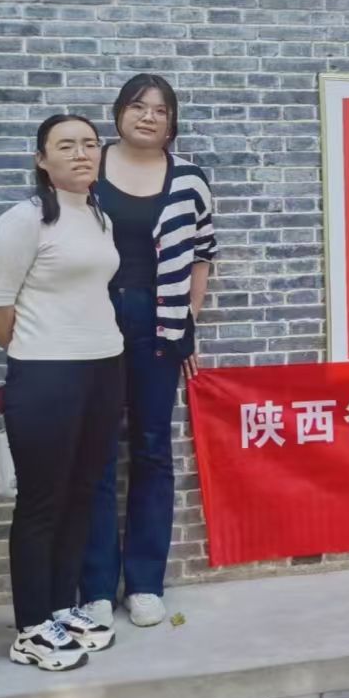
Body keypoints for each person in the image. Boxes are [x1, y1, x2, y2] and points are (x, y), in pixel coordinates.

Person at [0, 115, 126, 671]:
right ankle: (31, 627)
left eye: (90, 144)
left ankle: (62, 608)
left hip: (104, 366)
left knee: (83, 492)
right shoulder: (23, 220)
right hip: (45, 372)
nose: (82, 153)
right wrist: (34, 350)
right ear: (42, 159)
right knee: (42, 500)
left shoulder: (97, 214)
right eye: (66, 146)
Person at [80, 75, 216, 629]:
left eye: (161, 110)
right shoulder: (89, 167)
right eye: (138, 106)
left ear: (172, 121)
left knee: (153, 448)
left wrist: (187, 320)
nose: (149, 117)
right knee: (94, 450)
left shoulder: (189, 180)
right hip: (90, 321)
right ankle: (94, 586)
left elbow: (203, 255)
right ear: (118, 112)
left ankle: (144, 583)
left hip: (158, 326)